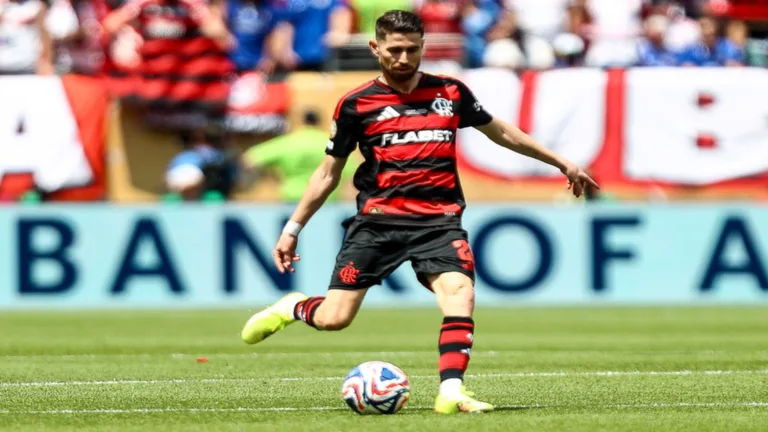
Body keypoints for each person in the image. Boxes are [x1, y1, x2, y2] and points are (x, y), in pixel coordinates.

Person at [240, 10, 598, 414]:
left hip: (439, 223)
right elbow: (327, 174)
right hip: (377, 223)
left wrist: (561, 162)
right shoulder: (356, 104)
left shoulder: (450, 92)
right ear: (375, 48)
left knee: (460, 294)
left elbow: (500, 131)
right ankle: (293, 307)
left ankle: (451, 391)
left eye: (412, 49)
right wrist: (292, 229)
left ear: (423, 46)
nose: (404, 58)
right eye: (395, 49)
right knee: (334, 318)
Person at [241, 109, 356, 202]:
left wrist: (272, 176)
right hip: (326, 199)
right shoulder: (332, 143)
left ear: (301, 122)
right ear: (319, 122)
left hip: (293, 199)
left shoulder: (288, 142)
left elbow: (249, 159)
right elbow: (352, 172)